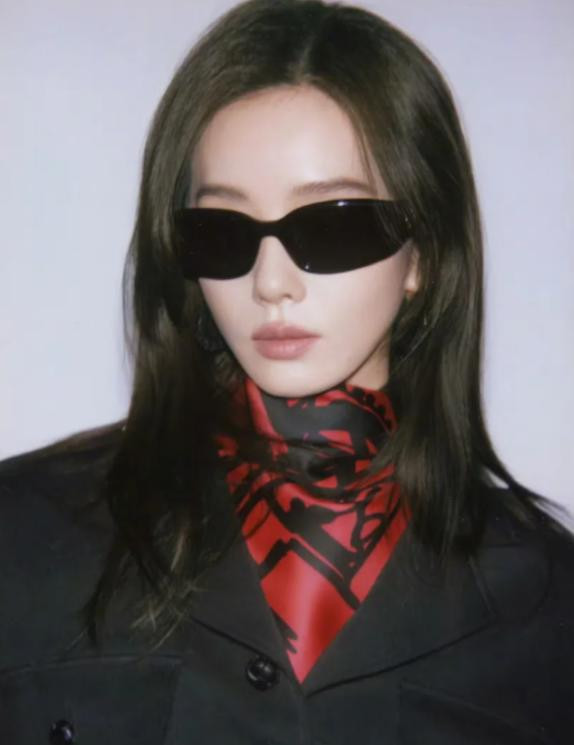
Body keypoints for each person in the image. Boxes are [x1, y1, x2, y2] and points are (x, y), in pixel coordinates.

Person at [1, 0, 572, 743]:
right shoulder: (21, 533)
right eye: (222, 230)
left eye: (332, 223)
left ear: (424, 255)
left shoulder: (551, 607)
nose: (270, 282)